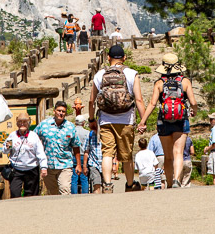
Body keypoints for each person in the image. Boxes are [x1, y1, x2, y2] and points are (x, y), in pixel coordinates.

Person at [88, 44, 146, 193]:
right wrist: (142, 120)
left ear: (108, 58)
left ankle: (107, 185)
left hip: (106, 120)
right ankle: (129, 184)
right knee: (126, 155)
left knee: (107, 153)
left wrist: (91, 120)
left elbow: (91, 100)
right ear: (124, 57)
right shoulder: (132, 74)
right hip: (126, 120)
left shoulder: (100, 75)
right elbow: (138, 100)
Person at [138, 53, 197, 188]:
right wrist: (194, 111)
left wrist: (143, 121)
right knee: (178, 153)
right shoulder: (185, 81)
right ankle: (177, 180)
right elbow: (193, 101)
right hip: (181, 120)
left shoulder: (159, 83)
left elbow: (153, 103)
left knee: (168, 155)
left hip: (163, 121)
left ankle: (170, 184)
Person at [34, 101, 82, 195]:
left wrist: (78, 164)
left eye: (63, 111)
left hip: (65, 164)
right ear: (54, 111)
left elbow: (76, 146)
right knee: (53, 193)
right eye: (59, 110)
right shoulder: (44, 125)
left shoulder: (70, 127)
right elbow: (33, 138)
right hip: (48, 165)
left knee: (65, 190)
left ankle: (66, 209)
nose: (61, 113)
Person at [2, 112, 47, 198]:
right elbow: (5, 151)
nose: (22, 124)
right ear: (17, 123)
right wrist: (7, 147)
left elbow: (40, 153)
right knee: (15, 193)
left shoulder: (34, 136)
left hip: (31, 169)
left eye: (25, 121)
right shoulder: (12, 136)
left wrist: (44, 167)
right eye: (20, 121)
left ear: (29, 122)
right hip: (16, 169)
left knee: (31, 196)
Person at [71, 115, 90, 194]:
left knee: (74, 178)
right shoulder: (87, 133)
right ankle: (85, 194)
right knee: (84, 177)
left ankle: (74, 194)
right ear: (83, 123)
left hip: (74, 155)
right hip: (84, 155)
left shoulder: (72, 131)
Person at [82, 124, 103, 194]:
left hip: (105, 164)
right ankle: (96, 201)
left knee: (107, 186)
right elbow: (86, 151)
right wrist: (84, 166)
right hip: (94, 164)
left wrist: (114, 164)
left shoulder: (107, 135)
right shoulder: (90, 135)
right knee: (96, 184)